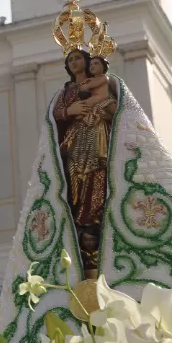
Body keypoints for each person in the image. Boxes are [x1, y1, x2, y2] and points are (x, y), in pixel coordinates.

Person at [52, 49, 117, 277]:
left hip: (97, 136)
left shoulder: (101, 82)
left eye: (78, 58)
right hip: (75, 141)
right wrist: (70, 110)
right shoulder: (67, 91)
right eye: (70, 60)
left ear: (88, 61)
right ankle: (80, 220)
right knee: (76, 181)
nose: (74, 62)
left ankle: (93, 220)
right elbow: (54, 114)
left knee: (96, 174)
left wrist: (103, 109)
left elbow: (116, 109)